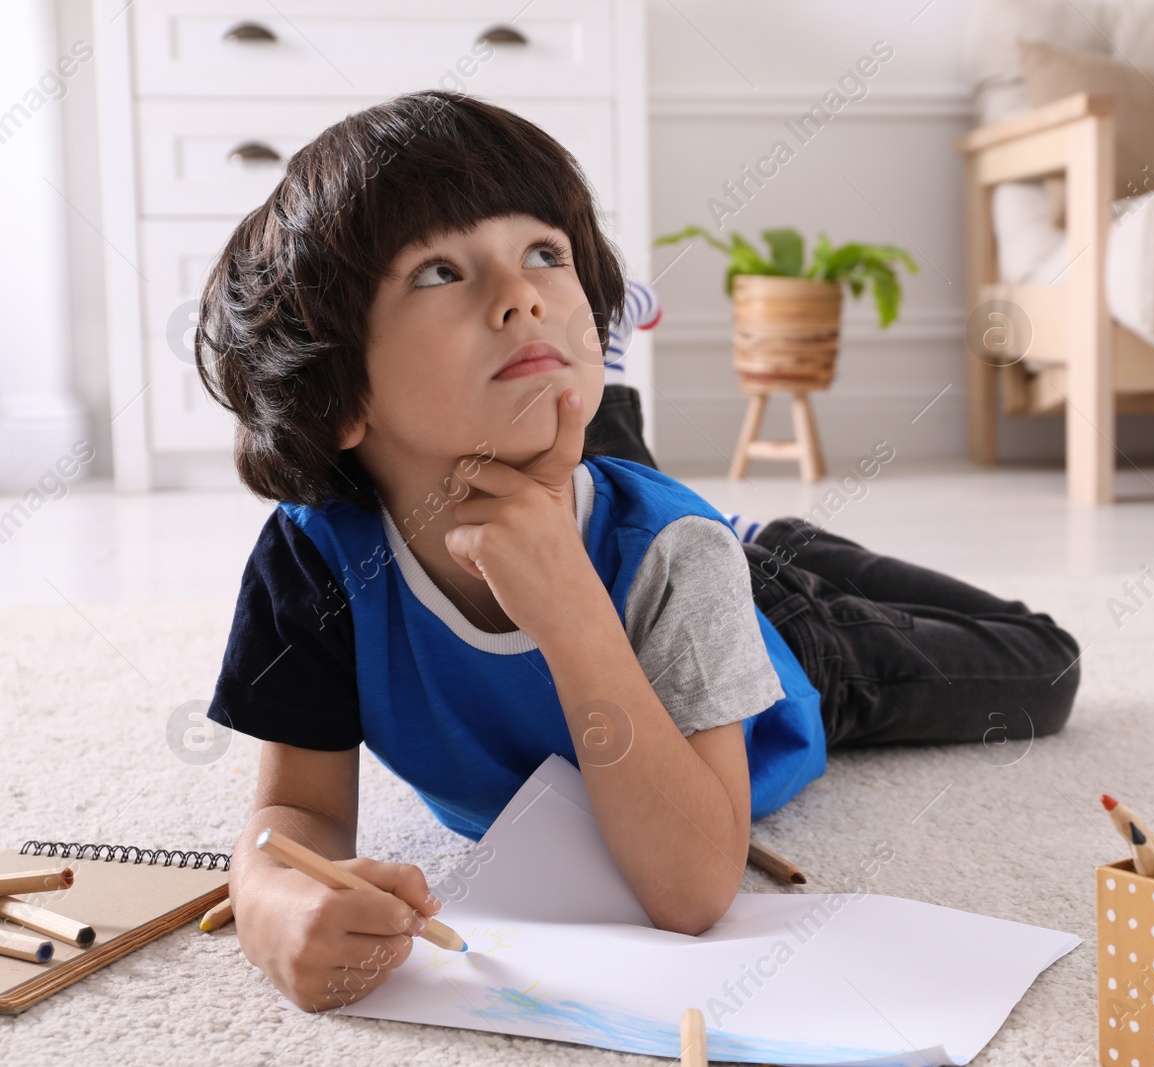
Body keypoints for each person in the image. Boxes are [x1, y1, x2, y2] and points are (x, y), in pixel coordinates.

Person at [197, 90, 1082, 1014]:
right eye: (437, 272)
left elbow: (693, 891)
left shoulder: (675, 554)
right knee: (615, 478)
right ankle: (671, 480)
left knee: (1047, 664)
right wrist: (274, 900)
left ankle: (773, 549)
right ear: (339, 395)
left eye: (545, 251)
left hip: (785, 647)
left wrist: (573, 609)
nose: (523, 293)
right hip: (642, 535)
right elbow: (297, 813)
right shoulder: (314, 561)